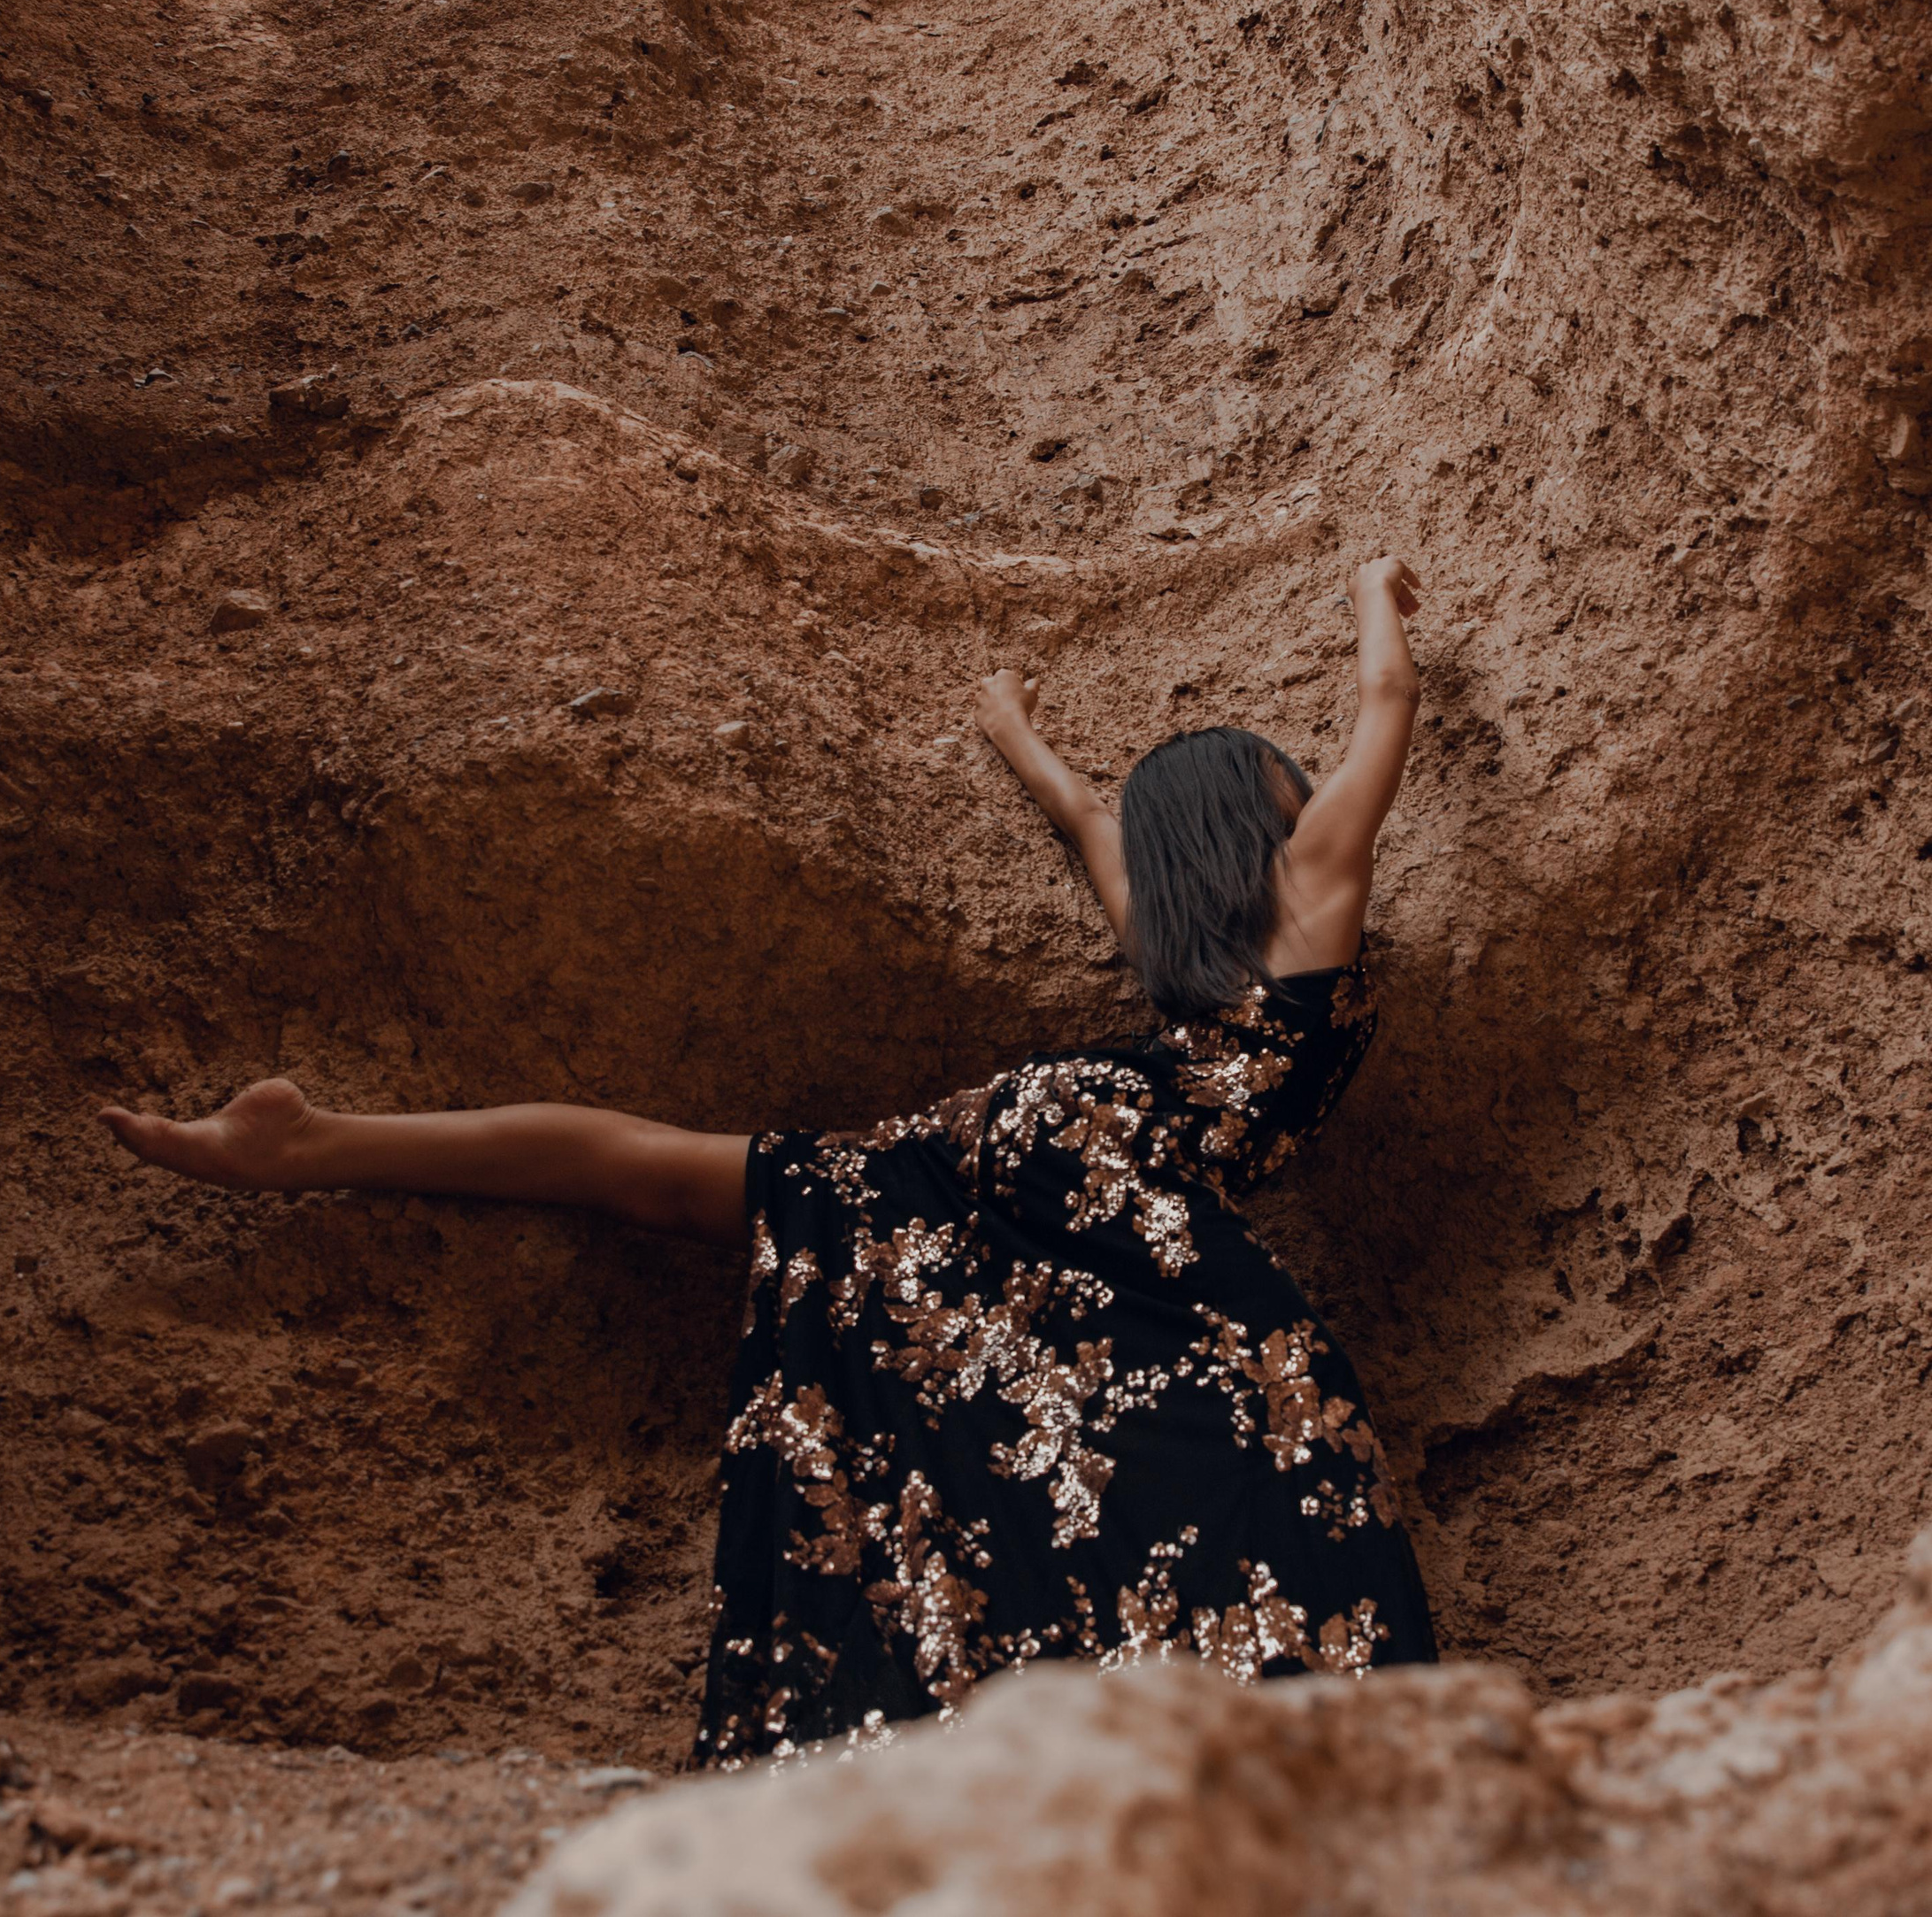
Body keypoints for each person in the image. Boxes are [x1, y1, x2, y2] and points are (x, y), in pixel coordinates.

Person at [101, 554, 1438, 1763]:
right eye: (1292, 786)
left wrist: (1008, 719)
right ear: (1259, 817)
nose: (1317, 798)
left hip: (1039, 1130)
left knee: (691, 1179)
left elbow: (1085, 809)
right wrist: (1375, 587)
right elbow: (1386, 702)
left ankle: (317, 1141)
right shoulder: (1310, 893)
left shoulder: (1174, 930)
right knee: (1257, 1423)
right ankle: (316, 1139)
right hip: (1113, 1163)